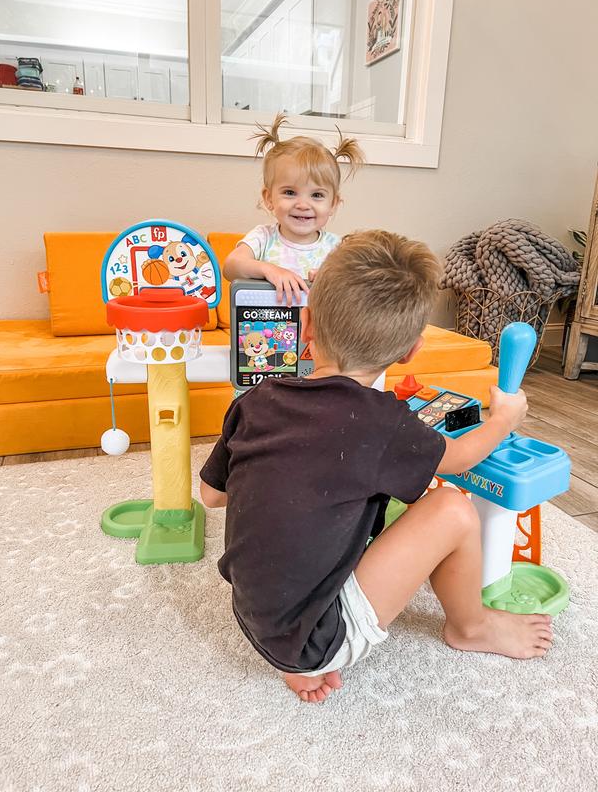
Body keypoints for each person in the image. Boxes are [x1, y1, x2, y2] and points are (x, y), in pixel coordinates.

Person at [200, 230, 553, 704]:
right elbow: (463, 457)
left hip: (251, 616)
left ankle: (296, 657)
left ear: (305, 329)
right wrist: (504, 417)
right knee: (451, 506)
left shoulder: (257, 401)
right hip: (319, 638)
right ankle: (471, 626)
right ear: (410, 351)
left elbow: (213, 495)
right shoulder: (384, 422)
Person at [223, 112, 364, 304]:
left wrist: (333, 280)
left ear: (333, 204)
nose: (303, 205)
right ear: (269, 198)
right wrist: (269, 270)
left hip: (318, 332)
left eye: (316, 195)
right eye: (290, 192)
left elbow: (359, 286)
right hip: (268, 332)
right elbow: (231, 266)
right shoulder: (263, 237)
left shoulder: (337, 248)